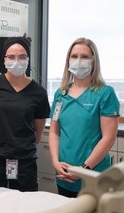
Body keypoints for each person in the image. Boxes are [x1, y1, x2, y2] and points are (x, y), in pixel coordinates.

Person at [0, 36, 51, 192]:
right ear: (4, 59)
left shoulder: (38, 93)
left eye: (22, 57)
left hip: (24, 161)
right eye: (11, 57)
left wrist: (19, 148)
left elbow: (38, 133)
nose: (16, 61)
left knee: (23, 203)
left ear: (28, 59)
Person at [48, 37, 119, 198]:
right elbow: (54, 133)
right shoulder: (61, 94)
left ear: (93, 61)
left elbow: (108, 138)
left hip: (93, 177)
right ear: (68, 61)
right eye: (74, 56)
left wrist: (84, 169)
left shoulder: (104, 93)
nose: (78, 61)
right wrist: (55, 162)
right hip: (64, 175)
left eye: (84, 57)